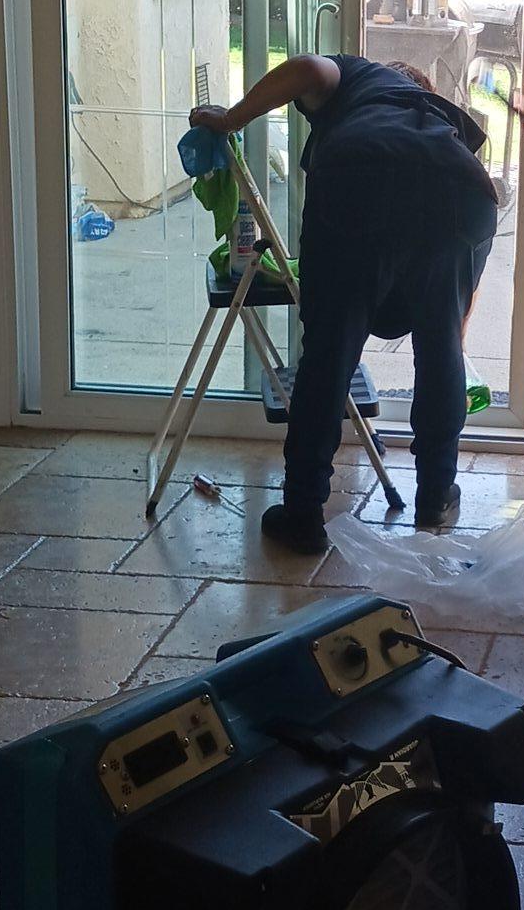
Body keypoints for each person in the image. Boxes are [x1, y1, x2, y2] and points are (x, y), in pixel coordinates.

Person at [189, 53, 498, 552]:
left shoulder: (362, 76)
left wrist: (229, 120)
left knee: (329, 354)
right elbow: (459, 308)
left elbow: (309, 69)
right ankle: (437, 494)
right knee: (441, 350)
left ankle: (304, 513)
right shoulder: (443, 123)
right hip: (463, 191)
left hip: (364, 175)